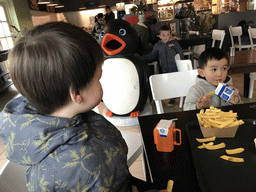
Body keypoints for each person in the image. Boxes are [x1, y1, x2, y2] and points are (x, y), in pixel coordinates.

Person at [0, 21, 135, 191]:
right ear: (76, 93)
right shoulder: (81, 168)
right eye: (98, 78)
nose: (101, 82)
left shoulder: (70, 114)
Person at [143, 24, 184, 106]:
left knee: (173, 83)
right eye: (163, 35)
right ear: (159, 36)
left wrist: (181, 65)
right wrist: (142, 58)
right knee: (167, 83)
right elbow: (152, 55)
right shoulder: (157, 46)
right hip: (164, 68)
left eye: (168, 35)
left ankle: (172, 98)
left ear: (170, 34)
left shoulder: (174, 43)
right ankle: (168, 96)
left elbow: (180, 54)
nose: (166, 37)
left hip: (174, 68)